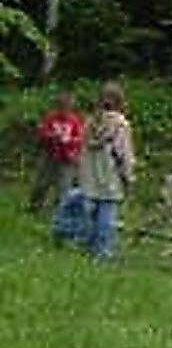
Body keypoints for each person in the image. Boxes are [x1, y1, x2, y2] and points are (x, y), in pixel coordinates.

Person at [76, 81, 135, 259]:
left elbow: (82, 149)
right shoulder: (120, 125)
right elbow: (123, 153)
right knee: (106, 216)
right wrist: (128, 176)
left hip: (89, 175)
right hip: (110, 176)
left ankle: (87, 247)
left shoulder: (89, 123)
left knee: (90, 213)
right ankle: (102, 252)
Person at [27, 91, 82, 212]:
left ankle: (61, 210)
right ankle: (35, 206)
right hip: (50, 155)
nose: (64, 111)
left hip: (67, 157)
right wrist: (52, 136)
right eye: (61, 108)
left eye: (67, 108)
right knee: (42, 183)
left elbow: (80, 138)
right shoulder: (50, 118)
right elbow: (41, 133)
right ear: (57, 107)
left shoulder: (74, 121)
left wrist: (71, 142)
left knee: (64, 185)